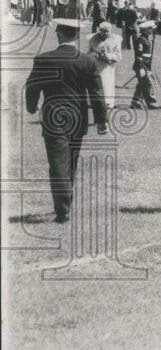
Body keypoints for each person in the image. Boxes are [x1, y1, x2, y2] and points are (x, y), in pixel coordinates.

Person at [25, 18, 108, 222]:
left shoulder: (44, 59)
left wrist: (31, 105)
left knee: (58, 163)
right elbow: (96, 92)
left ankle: (63, 210)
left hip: (54, 117)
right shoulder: (87, 60)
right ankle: (65, 203)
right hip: (78, 117)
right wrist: (101, 120)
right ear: (77, 35)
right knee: (70, 161)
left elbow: (32, 85)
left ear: (59, 34)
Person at [88, 21, 122, 111]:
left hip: (108, 66)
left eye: (108, 31)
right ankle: (97, 101)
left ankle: (107, 102)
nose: (106, 33)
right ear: (100, 31)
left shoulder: (116, 40)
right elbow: (89, 53)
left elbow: (118, 56)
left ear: (111, 30)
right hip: (97, 64)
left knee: (107, 83)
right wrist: (97, 55)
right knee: (97, 83)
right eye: (103, 31)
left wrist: (108, 56)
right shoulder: (94, 39)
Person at [130, 20, 159, 109]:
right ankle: (152, 103)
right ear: (145, 30)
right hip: (141, 65)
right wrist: (142, 68)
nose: (151, 31)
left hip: (145, 65)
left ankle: (136, 102)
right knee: (148, 84)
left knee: (141, 84)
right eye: (150, 29)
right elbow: (139, 55)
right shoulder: (141, 40)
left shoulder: (145, 39)